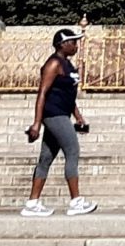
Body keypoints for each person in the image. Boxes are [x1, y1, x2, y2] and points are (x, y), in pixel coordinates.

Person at [22, 27, 96, 217]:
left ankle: (32, 203)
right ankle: (76, 201)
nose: (76, 45)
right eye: (72, 42)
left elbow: (68, 95)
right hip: (54, 115)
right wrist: (37, 123)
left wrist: (78, 116)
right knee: (72, 151)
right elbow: (42, 93)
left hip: (63, 112)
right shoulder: (53, 64)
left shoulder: (68, 65)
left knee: (46, 158)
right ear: (62, 44)